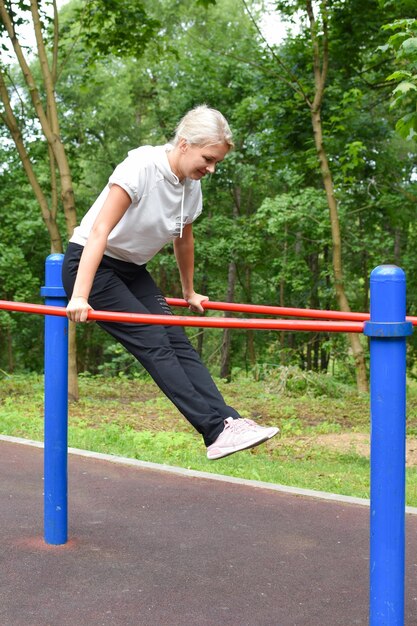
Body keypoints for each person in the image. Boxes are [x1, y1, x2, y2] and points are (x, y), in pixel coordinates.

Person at [62, 104, 279, 460]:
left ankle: (229, 422)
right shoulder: (141, 167)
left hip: (132, 270)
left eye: (216, 163)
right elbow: (99, 230)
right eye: (207, 159)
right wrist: (80, 296)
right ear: (184, 144)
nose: (210, 169)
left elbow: (183, 240)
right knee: (153, 339)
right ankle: (213, 431)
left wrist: (189, 291)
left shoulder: (190, 186)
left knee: (177, 339)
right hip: (92, 265)